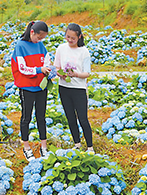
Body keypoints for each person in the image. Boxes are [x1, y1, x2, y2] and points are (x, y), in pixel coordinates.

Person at [11, 20, 53, 161]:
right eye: (39, 37)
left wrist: (48, 69)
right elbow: (22, 68)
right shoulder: (20, 46)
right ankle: (27, 147)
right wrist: (39, 69)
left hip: (40, 86)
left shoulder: (40, 46)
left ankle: (44, 146)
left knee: (41, 117)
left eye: (42, 39)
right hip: (26, 87)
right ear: (32, 32)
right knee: (26, 117)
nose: (40, 41)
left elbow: (47, 61)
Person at [54, 23, 94, 153]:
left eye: (73, 38)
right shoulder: (61, 48)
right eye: (68, 37)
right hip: (64, 87)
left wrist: (75, 74)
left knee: (83, 118)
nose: (70, 40)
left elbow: (87, 73)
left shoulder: (84, 51)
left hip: (79, 89)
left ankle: (90, 147)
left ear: (79, 37)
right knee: (70, 117)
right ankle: (77, 144)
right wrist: (60, 74)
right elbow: (57, 67)